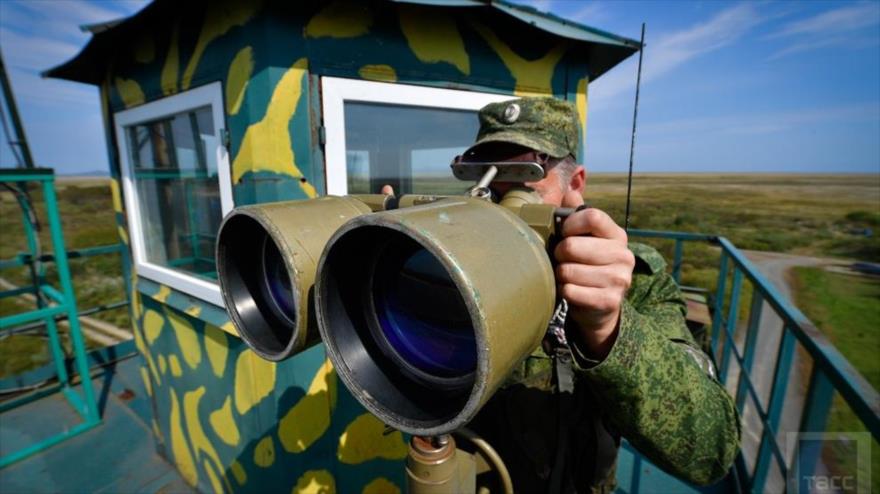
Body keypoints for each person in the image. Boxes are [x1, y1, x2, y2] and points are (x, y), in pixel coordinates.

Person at [433, 97, 740, 493]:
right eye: (492, 191)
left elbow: (712, 448)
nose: (500, 216)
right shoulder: (452, 265)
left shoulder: (635, 279)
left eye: (521, 193)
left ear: (574, 184)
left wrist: (609, 329)